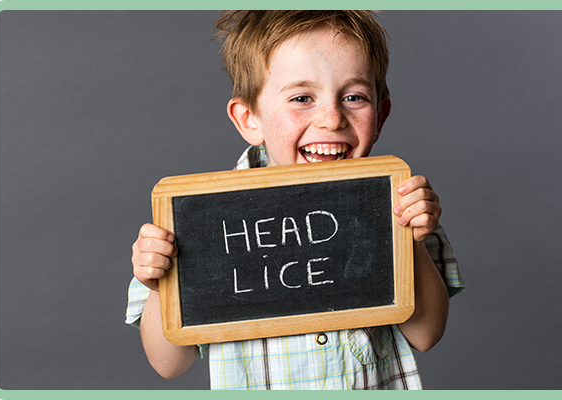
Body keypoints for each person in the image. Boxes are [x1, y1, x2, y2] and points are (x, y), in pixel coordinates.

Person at [126, 10, 465, 390]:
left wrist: (410, 242)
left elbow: (426, 334)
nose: (331, 118)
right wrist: (159, 284)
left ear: (381, 114)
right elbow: (169, 363)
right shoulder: (201, 218)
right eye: (302, 98)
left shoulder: (397, 202)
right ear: (250, 118)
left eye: (354, 97)